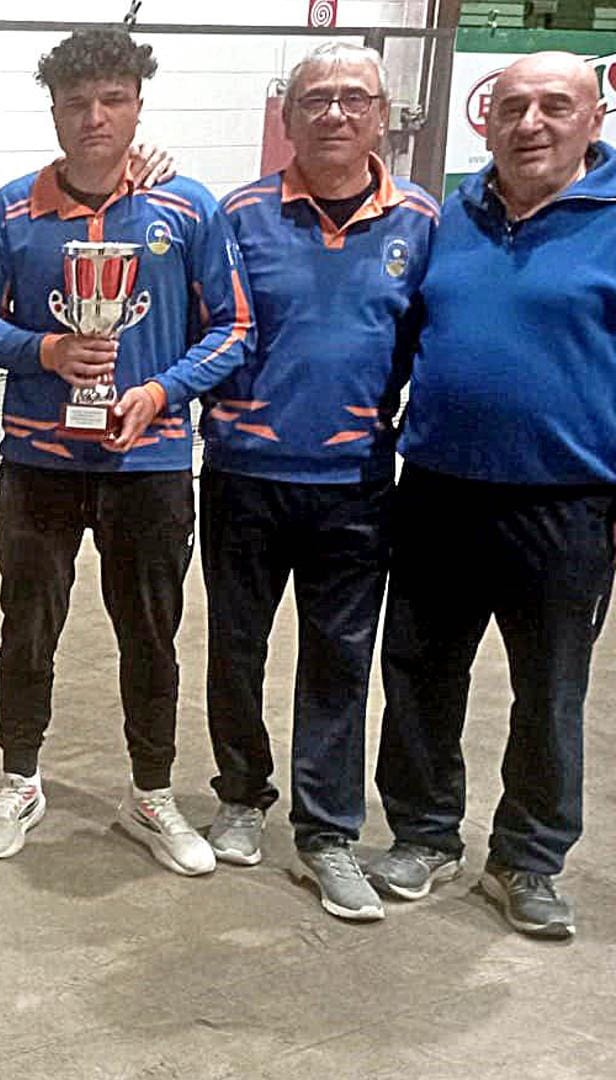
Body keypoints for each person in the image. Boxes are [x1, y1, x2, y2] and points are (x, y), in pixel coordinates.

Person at [0, 28, 250, 876]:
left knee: (151, 635)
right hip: (39, 464)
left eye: (113, 99)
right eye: (77, 102)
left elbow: (234, 326)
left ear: (137, 106)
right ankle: (20, 780)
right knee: (26, 630)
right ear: (54, 111)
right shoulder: (10, 210)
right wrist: (45, 351)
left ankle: (151, 793)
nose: (95, 117)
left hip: (148, 464)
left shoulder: (185, 206)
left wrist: (160, 392)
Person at [367, 52, 613, 940]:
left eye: (554, 106)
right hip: (438, 489)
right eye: (512, 107)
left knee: (550, 688)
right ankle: (424, 834)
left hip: (568, 503)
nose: (530, 124)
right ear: (487, 120)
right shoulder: (452, 217)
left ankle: (528, 858)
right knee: (420, 672)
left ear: (594, 118)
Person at [199, 43, 438, 921]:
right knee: (236, 647)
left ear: (382, 115)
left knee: (339, 659)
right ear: (288, 115)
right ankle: (239, 793)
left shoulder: (421, 221)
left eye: (353, 98)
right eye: (315, 99)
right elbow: (204, 328)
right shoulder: (239, 215)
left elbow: (431, 341)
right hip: (244, 476)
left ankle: (328, 831)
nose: (334, 113)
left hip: (356, 482)